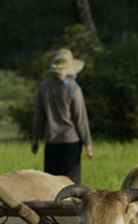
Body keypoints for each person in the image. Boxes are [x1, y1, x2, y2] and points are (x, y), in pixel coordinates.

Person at [31, 48, 93, 184]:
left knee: (51, 184)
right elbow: (80, 118)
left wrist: (35, 139)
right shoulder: (74, 88)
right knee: (71, 184)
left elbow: (38, 117)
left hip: (51, 142)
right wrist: (88, 143)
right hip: (71, 142)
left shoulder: (44, 87)